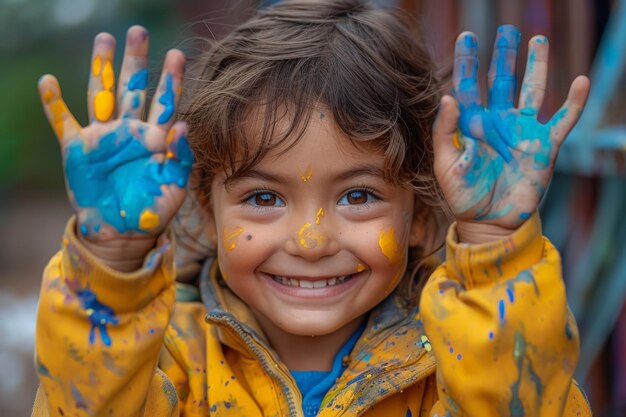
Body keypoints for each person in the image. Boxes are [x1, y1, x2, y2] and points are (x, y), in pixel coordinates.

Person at [32, 1, 592, 416]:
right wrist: (113, 260)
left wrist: (494, 244)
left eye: (358, 195)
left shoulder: (455, 359)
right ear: (207, 208)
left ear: (420, 212)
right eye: (264, 197)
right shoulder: (169, 356)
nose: (310, 240)